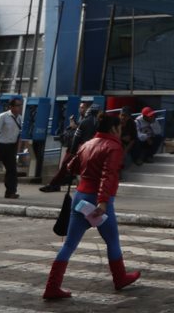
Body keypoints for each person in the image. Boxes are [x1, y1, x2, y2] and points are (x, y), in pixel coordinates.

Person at [43, 112, 141, 300]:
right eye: (119, 128)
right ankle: (120, 278)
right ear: (114, 129)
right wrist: (103, 202)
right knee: (112, 241)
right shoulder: (114, 147)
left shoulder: (87, 144)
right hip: (98, 200)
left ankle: (52, 286)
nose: (121, 131)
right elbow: (108, 175)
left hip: (80, 197)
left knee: (69, 244)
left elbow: (71, 167)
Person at [40, 101, 98, 192]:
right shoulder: (85, 119)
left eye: (83, 107)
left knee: (68, 166)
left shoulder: (86, 121)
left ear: (88, 109)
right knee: (68, 166)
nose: (80, 109)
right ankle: (55, 184)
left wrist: (75, 127)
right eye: (80, 107)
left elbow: (78, 135)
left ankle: (54, 184)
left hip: (79, 148)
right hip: (80, 147)